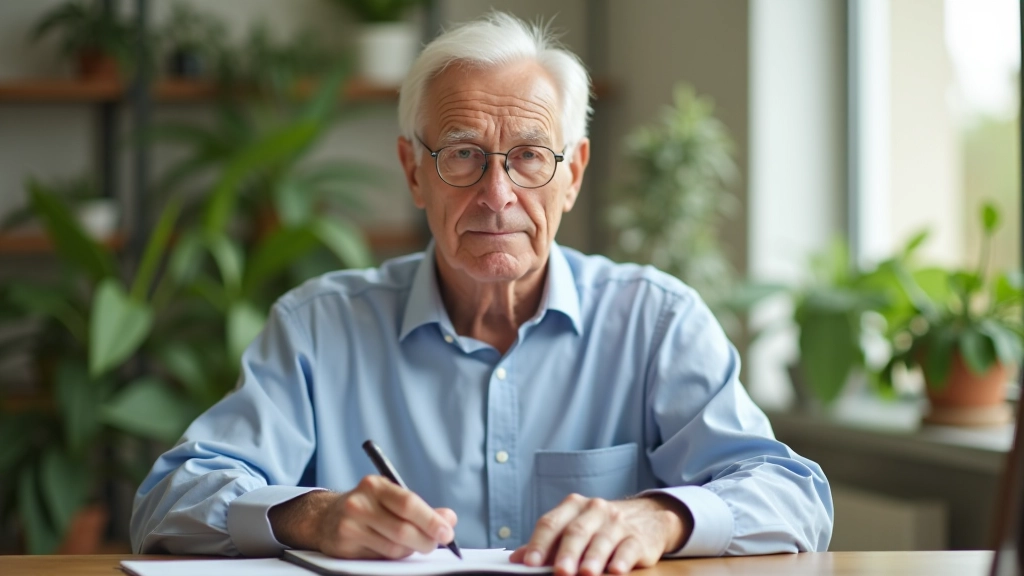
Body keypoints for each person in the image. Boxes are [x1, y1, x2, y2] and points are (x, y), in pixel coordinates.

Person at [131, 12, 833, 575]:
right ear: (414, 172)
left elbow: (793, 498)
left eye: (529, 156)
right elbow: (170, 499)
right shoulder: (320, 326)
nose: (498, 196)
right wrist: (311, 516)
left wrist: (660, 516)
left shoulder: (656, 321)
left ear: (573, 174)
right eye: (462, 154)